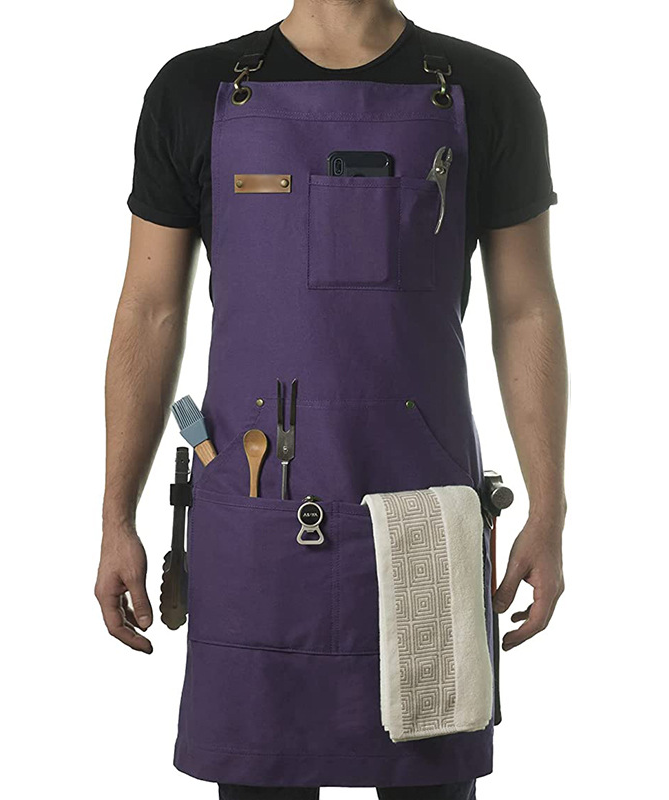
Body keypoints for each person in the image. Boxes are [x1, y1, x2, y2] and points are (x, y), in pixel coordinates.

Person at [95, 2, 567, 798]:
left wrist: (548, 511)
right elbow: (150, 311)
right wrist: (116, 516)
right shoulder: (192, 89)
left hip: (425, 522)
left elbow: (526, 310)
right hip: (257, 530)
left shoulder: (488, 89)